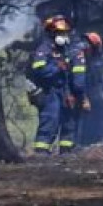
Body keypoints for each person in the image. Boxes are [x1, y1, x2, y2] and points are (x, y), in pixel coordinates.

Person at [27, 15, 90, 156]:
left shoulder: (67, 50)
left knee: (69, 120)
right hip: (50, 91)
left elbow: (72, 75)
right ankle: (42, 150)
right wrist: (57, 68)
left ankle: (66, 151)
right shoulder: (44, 49)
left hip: (65, 91)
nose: (63, 36)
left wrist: (74, 94)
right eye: (60, 33)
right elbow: (39, 69)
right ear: (51, 33)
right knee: (51, 119)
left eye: (65, 33)